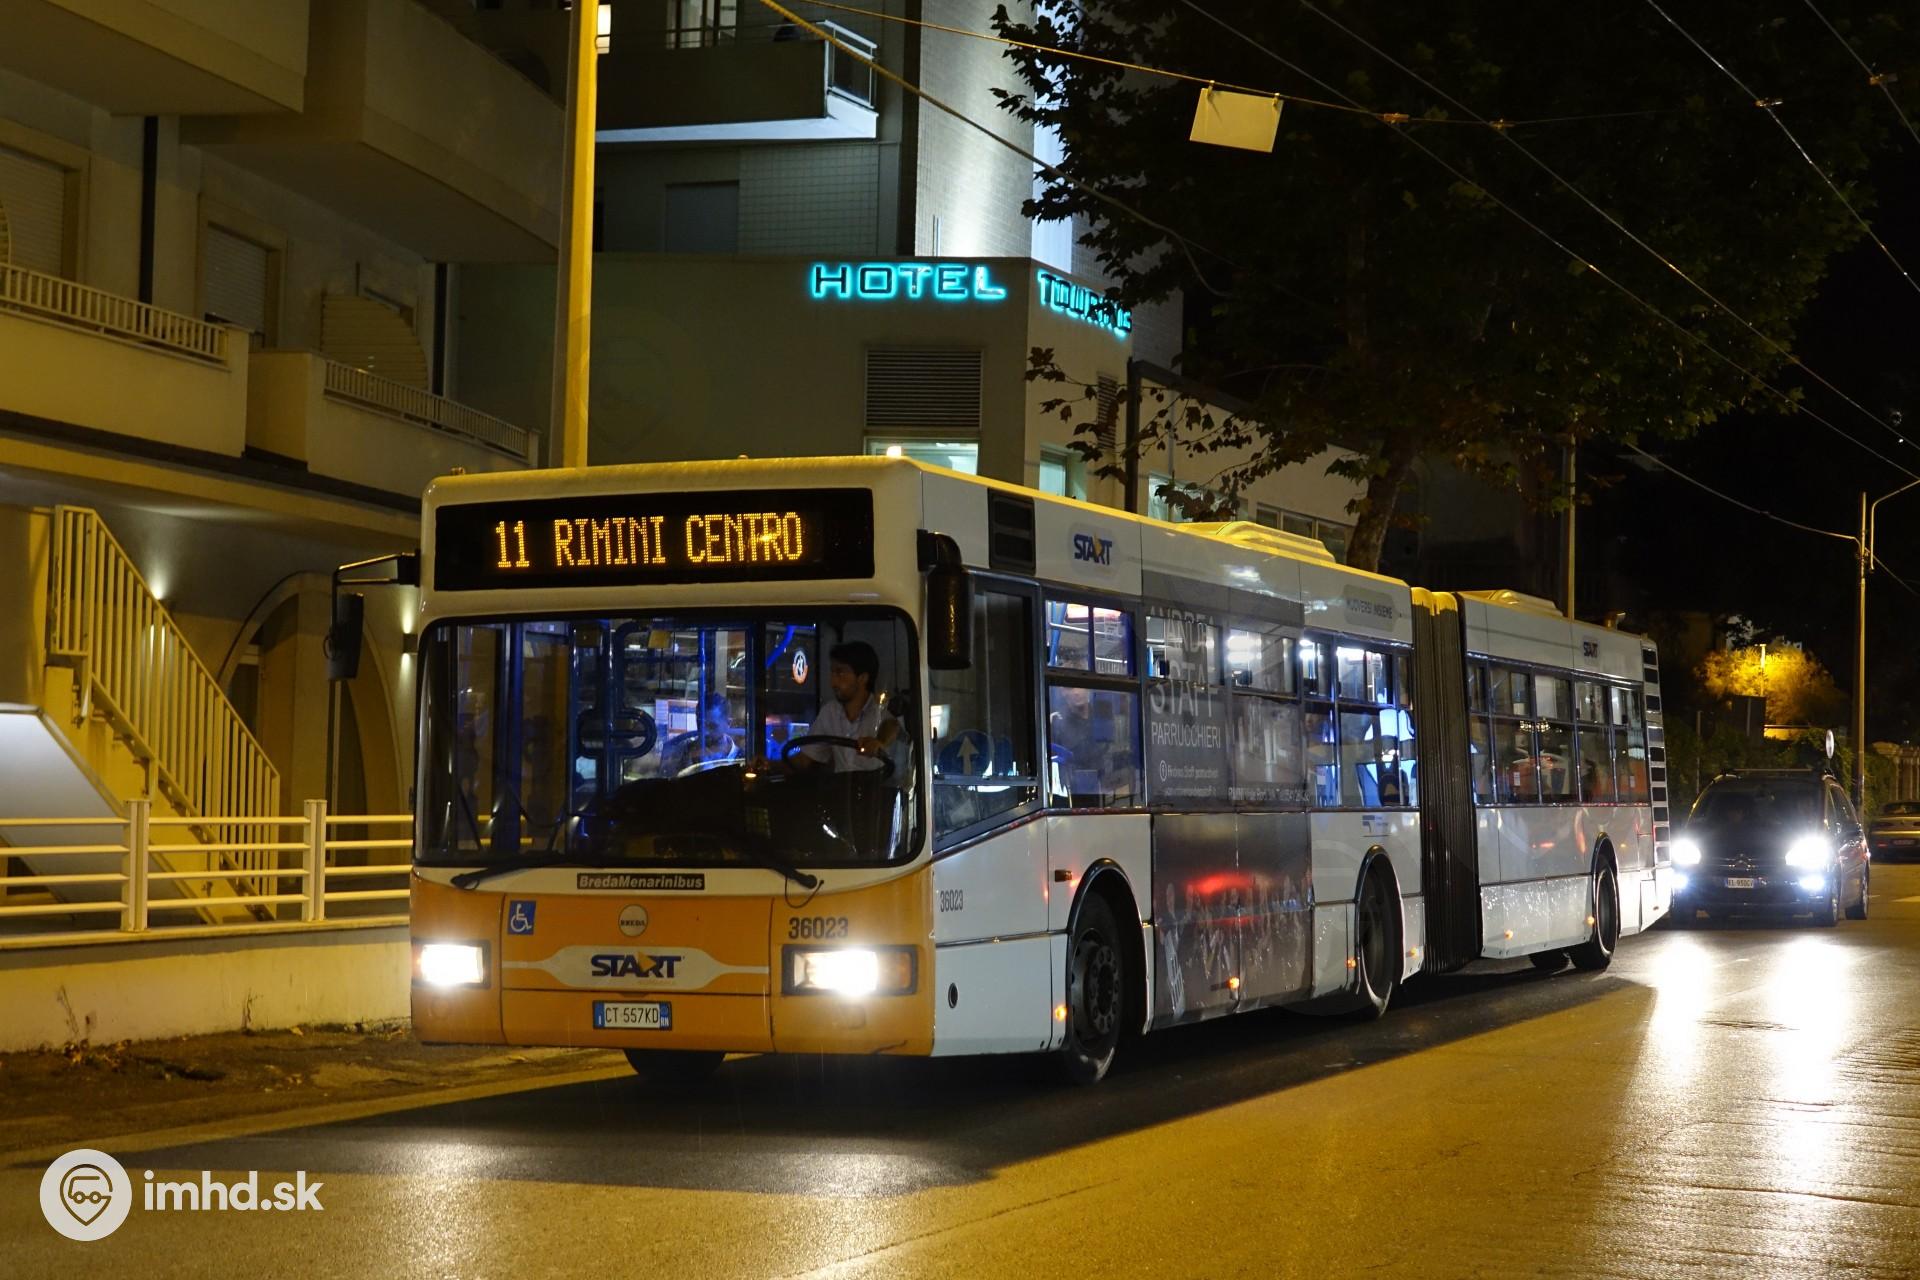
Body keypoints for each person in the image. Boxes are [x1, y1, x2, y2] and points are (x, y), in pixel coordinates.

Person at [786, 641, 900, 773]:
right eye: (832, 673)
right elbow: (804, 760)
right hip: (842, 785)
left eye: (840, 673)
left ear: (862, 678)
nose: (833, 682)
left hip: (878, 785)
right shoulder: (830, 712)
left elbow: (893, 727)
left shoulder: (880, 710)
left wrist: (879, 743)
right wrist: (770, 765)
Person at [659, 693, 740, 777]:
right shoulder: (683, 751)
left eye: (712, 726)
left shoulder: (741, 757)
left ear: (728, 723)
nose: (705, 732)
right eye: (700, 725)